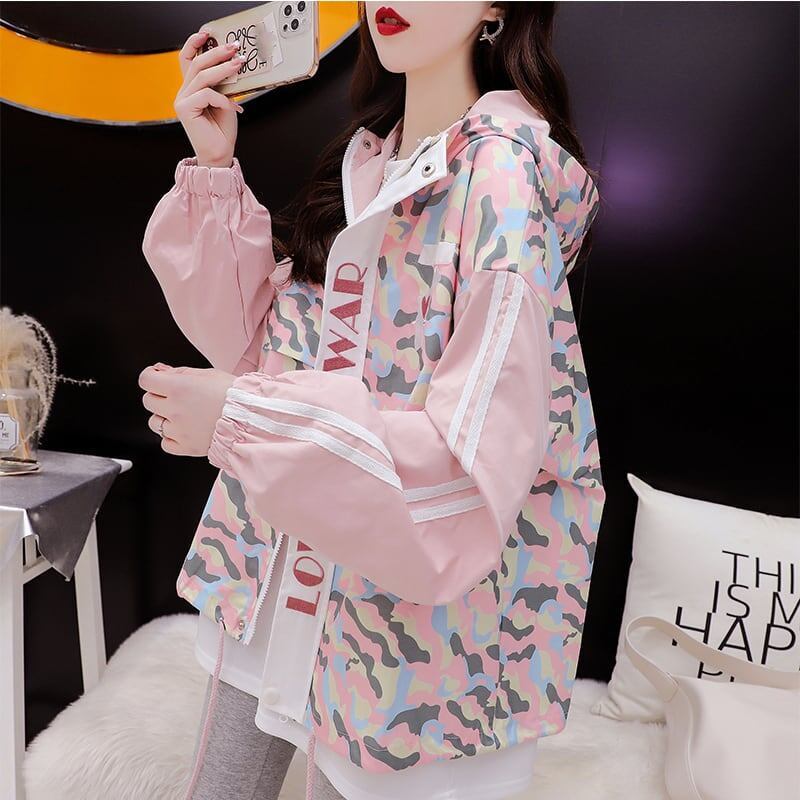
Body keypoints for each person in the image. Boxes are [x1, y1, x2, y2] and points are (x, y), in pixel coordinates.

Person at [138, 2, 606, 799]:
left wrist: (244, 418)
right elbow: (267, 350)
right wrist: (214, 166)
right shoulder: (367, 161)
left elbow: (470, 464)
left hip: (399, 630)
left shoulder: (498, 182)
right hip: (276, 573)